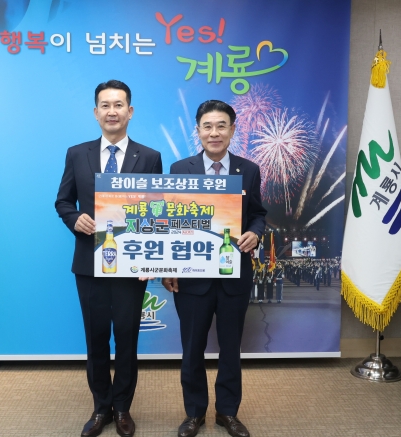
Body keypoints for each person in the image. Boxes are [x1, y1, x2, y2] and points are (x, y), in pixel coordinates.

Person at [55, 80, 162, 437]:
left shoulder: (149, 157)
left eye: (118, 105)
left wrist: (150, 261)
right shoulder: (77, 153)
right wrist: (75, 218)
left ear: (130, 112)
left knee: (128, 339)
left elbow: (156, 211)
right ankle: (101, 407)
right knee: (96, 338)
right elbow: (63, 201)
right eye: (105, 105)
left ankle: (123, 408)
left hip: (132, 265)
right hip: (90, 263)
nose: (112, 111)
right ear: (96, 112)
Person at [162, 100, 266, 437]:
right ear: (198, 131)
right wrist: (168, 266)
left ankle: (227, 412)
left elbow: (258, 213)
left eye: (221, 125)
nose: (214, 132)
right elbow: (170, 221)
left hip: (234, 275)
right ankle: (194, 413)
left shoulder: (249, 170)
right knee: (192, 348)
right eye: (207, 126)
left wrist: (256, 232)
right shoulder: (180, 169)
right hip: (191, 278)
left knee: (231, 348)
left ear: (232, 130)